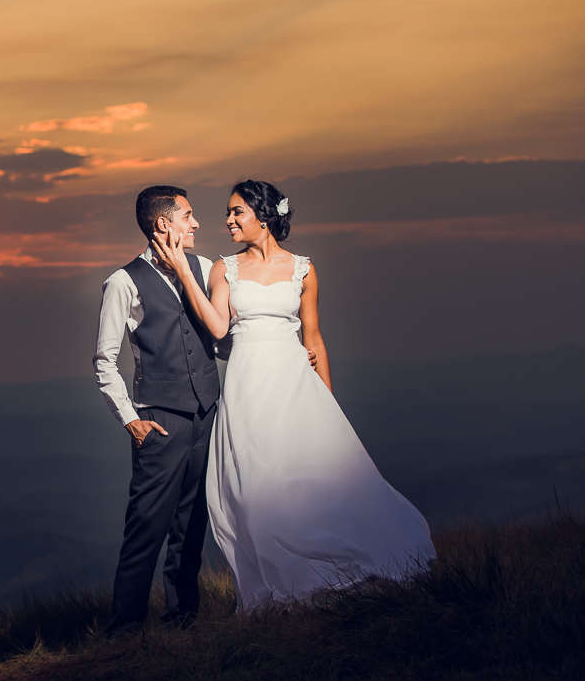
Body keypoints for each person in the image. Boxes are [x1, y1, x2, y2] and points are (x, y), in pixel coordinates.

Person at [151, 179, 436, 609]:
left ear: (263, 217)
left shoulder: (303, 268)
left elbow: (315, 340)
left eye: (236, 212)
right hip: (248, 386)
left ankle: (330, 572)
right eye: (228, 212)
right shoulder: (222, 269)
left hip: (294, 384)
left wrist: (327, 405)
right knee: (258, 487)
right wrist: (182, 273)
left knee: (312, 479)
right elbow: (216, 327)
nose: (227, 219)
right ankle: (282, 583)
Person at [93, 185, 221, 636]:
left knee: (192, 524)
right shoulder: (123, 281)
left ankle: (184, 618)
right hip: (159, 421)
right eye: (188, 216)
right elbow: (104, 360)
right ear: (162, 224)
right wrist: (132, 420)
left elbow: (220, 339)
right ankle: (125, 628)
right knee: (147, 524)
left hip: (207, 414)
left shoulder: (205, 269)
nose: (196, 224)